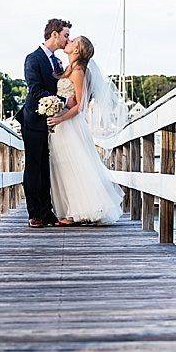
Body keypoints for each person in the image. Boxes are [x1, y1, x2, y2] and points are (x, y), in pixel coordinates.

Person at [46, 35, 125, 225]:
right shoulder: (69, 68)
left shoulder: (79, 71)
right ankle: (69, 210)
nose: (69, 41)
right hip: (61, 125)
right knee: (63, 166)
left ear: (76, 50)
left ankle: (77, 213)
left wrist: (60, 117)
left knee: (73, 166)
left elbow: (80, 105)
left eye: (73, 41)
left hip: (70, 125)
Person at [19, 18, 71, 228]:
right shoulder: (33, 59)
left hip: (52, 121)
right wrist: (63, 101)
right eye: (65, 35)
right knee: (34, 166)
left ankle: (47, 211)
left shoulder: (57, 62)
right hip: (33, 119)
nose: (67, 39)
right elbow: (35, 90)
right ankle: (35, 213)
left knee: (46, 167)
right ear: (55, 34)